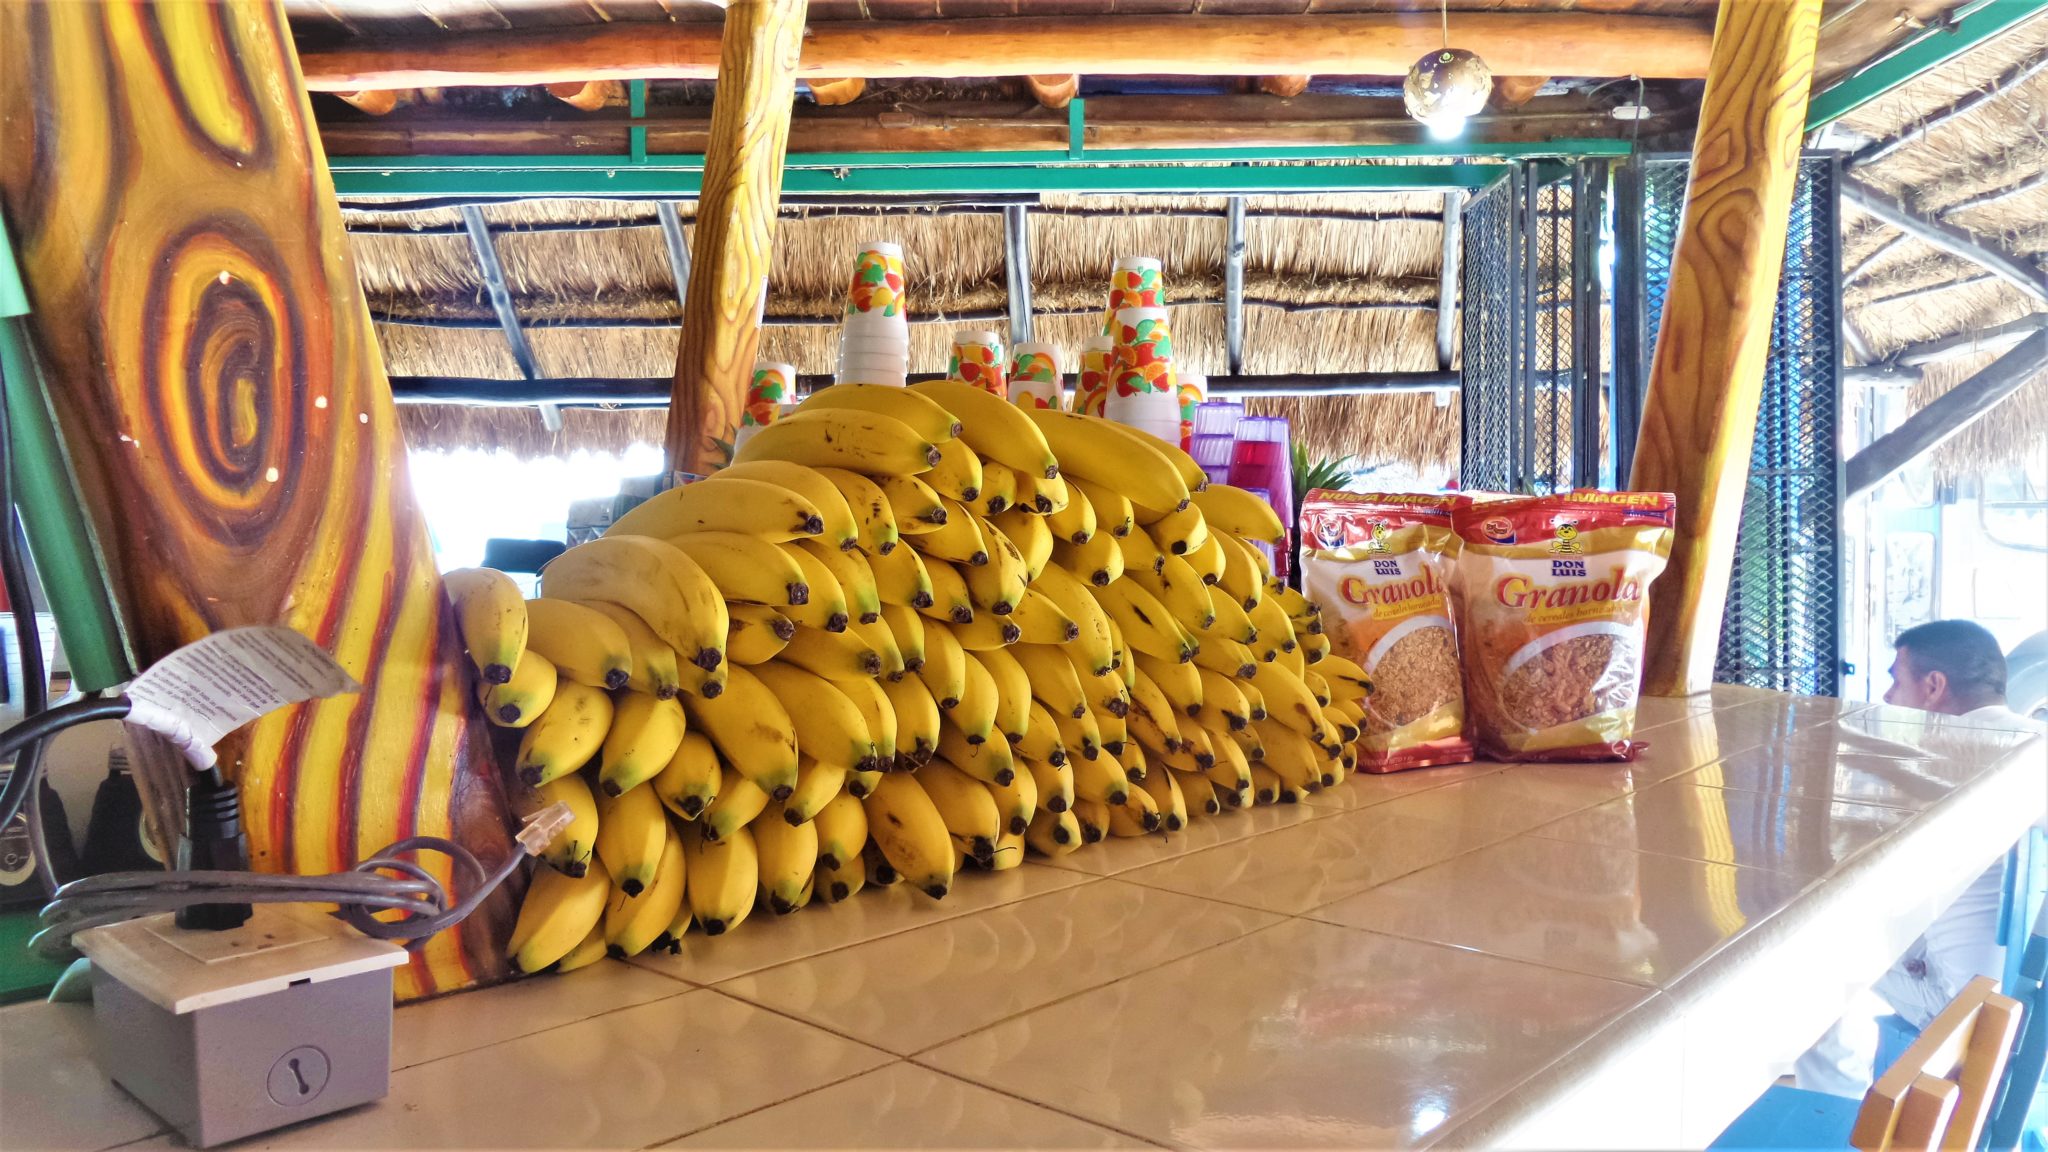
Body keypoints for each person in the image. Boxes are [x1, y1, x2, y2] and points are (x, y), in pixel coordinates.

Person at [1795, 620, 2045, 1098]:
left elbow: (1858, 878)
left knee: (1806, 960)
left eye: (1897, 680)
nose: (1888, 697)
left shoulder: (1925, 755)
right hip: (2019, 992)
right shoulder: (2035, 742)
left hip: (1960, 1006)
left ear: (1934, 687)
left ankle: (1836, 1112)